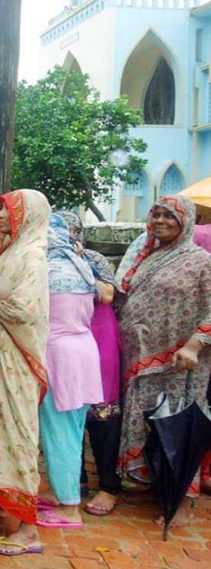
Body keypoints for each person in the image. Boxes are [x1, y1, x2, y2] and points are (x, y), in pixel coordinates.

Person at [116, 195, 211, 528]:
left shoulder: (200, 260)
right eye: (155, 215)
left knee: (178, 427)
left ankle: (182, 500)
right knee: (150, 426)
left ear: (185, 221)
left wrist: (195, 346)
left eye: (169, 216)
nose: (160, 221)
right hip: (139, 359)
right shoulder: (144, 256)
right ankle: (158, 487)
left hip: (179, 362)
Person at [0, 189, 51, 557]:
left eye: (9, 211)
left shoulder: (33, 257)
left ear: (28, 216)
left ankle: (28, 529)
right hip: (3, 354)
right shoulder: (14, 251)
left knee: (19, 433)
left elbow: (25, 310)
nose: (2, 217)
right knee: (0, 430)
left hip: (19, 358)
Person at [54, 210, 124, 517]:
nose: (65, 236)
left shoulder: (92, 258)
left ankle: (108, 485)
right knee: (68, 410)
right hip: (64, 340)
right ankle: (75, 480)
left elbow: (108, 295)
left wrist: (79, 265)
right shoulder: (44, 261)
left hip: (99, 338)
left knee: (103, 413)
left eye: (70, 230)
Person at [36, 214, 103, 529]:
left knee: (58, 431)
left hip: (58, 356)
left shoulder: (44, 270)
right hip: (85, 353)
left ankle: (69, 509)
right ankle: (64, 493)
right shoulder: (80, 267)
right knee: (73, 432)